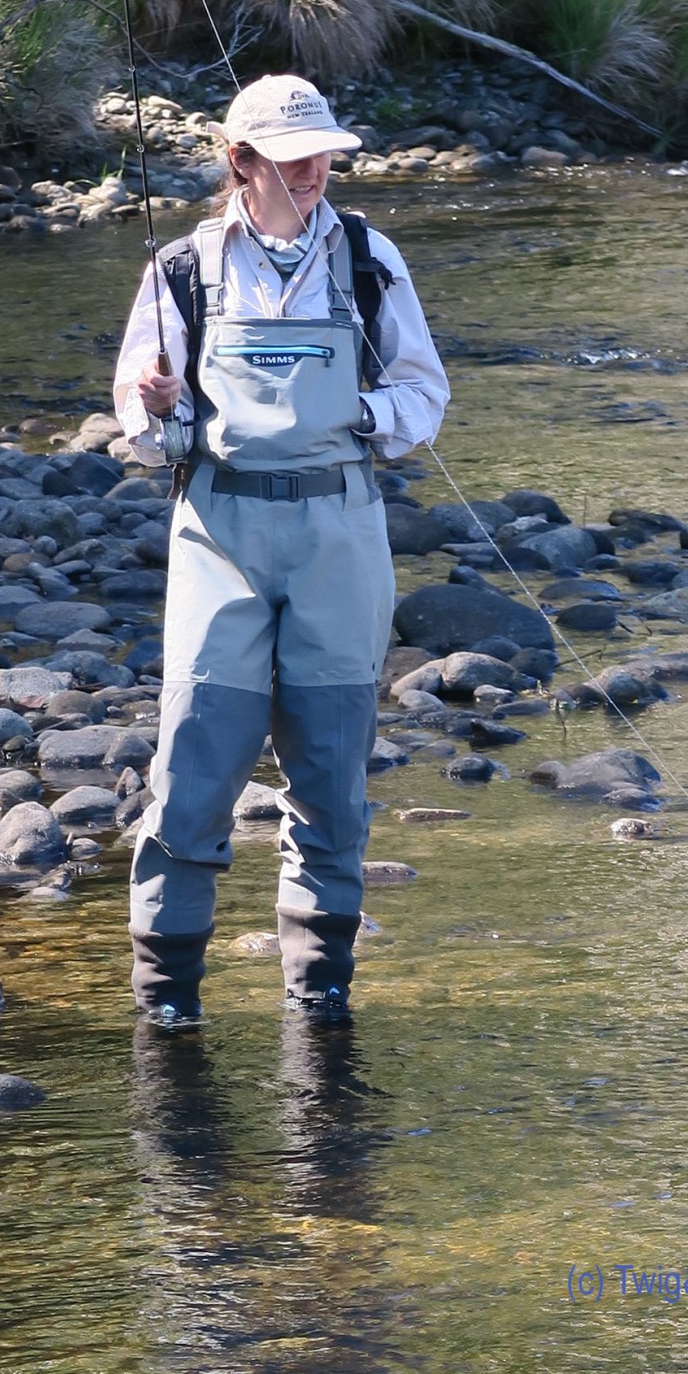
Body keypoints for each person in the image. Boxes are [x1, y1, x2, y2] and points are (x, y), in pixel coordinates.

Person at [113, 73, 449, 1026]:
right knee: (193, 769)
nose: (314, 172)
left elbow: (423, 397)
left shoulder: (370, 257)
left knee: (332, 781)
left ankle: (320, 997)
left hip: (341, 532)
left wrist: (362, 414)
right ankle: (167, 1002)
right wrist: (156, 408)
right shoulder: (181, 269)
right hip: (219, 533)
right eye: (294, 158)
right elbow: (138, 429)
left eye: (324, 156)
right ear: (241, 161)